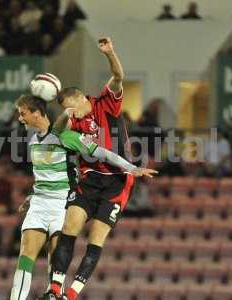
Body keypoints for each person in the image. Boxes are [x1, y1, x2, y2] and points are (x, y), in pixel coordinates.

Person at [41, 37, 157, 300]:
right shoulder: (73, 123)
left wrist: (110, 53)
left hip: (117, 181)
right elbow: (56, 132)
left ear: (81, 98)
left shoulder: (107, 102)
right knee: (70, 226)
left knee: (96, 238)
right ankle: (55, 288)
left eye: (71, 108)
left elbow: (118, 75)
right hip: (90, 178)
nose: (72, 115)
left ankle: (72, 293)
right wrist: (65, 116)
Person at [11, 95, 155, 300]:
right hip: (39, 204)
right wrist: (32, 194)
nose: (20, 119)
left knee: (56, 258)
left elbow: (102, 152)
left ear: (36, 113)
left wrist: (131, 168)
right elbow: (43, 174)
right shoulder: (33, 141)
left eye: (22, 113)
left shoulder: (67, 136)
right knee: (25, 255)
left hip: (61, 203)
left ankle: (56, 294)